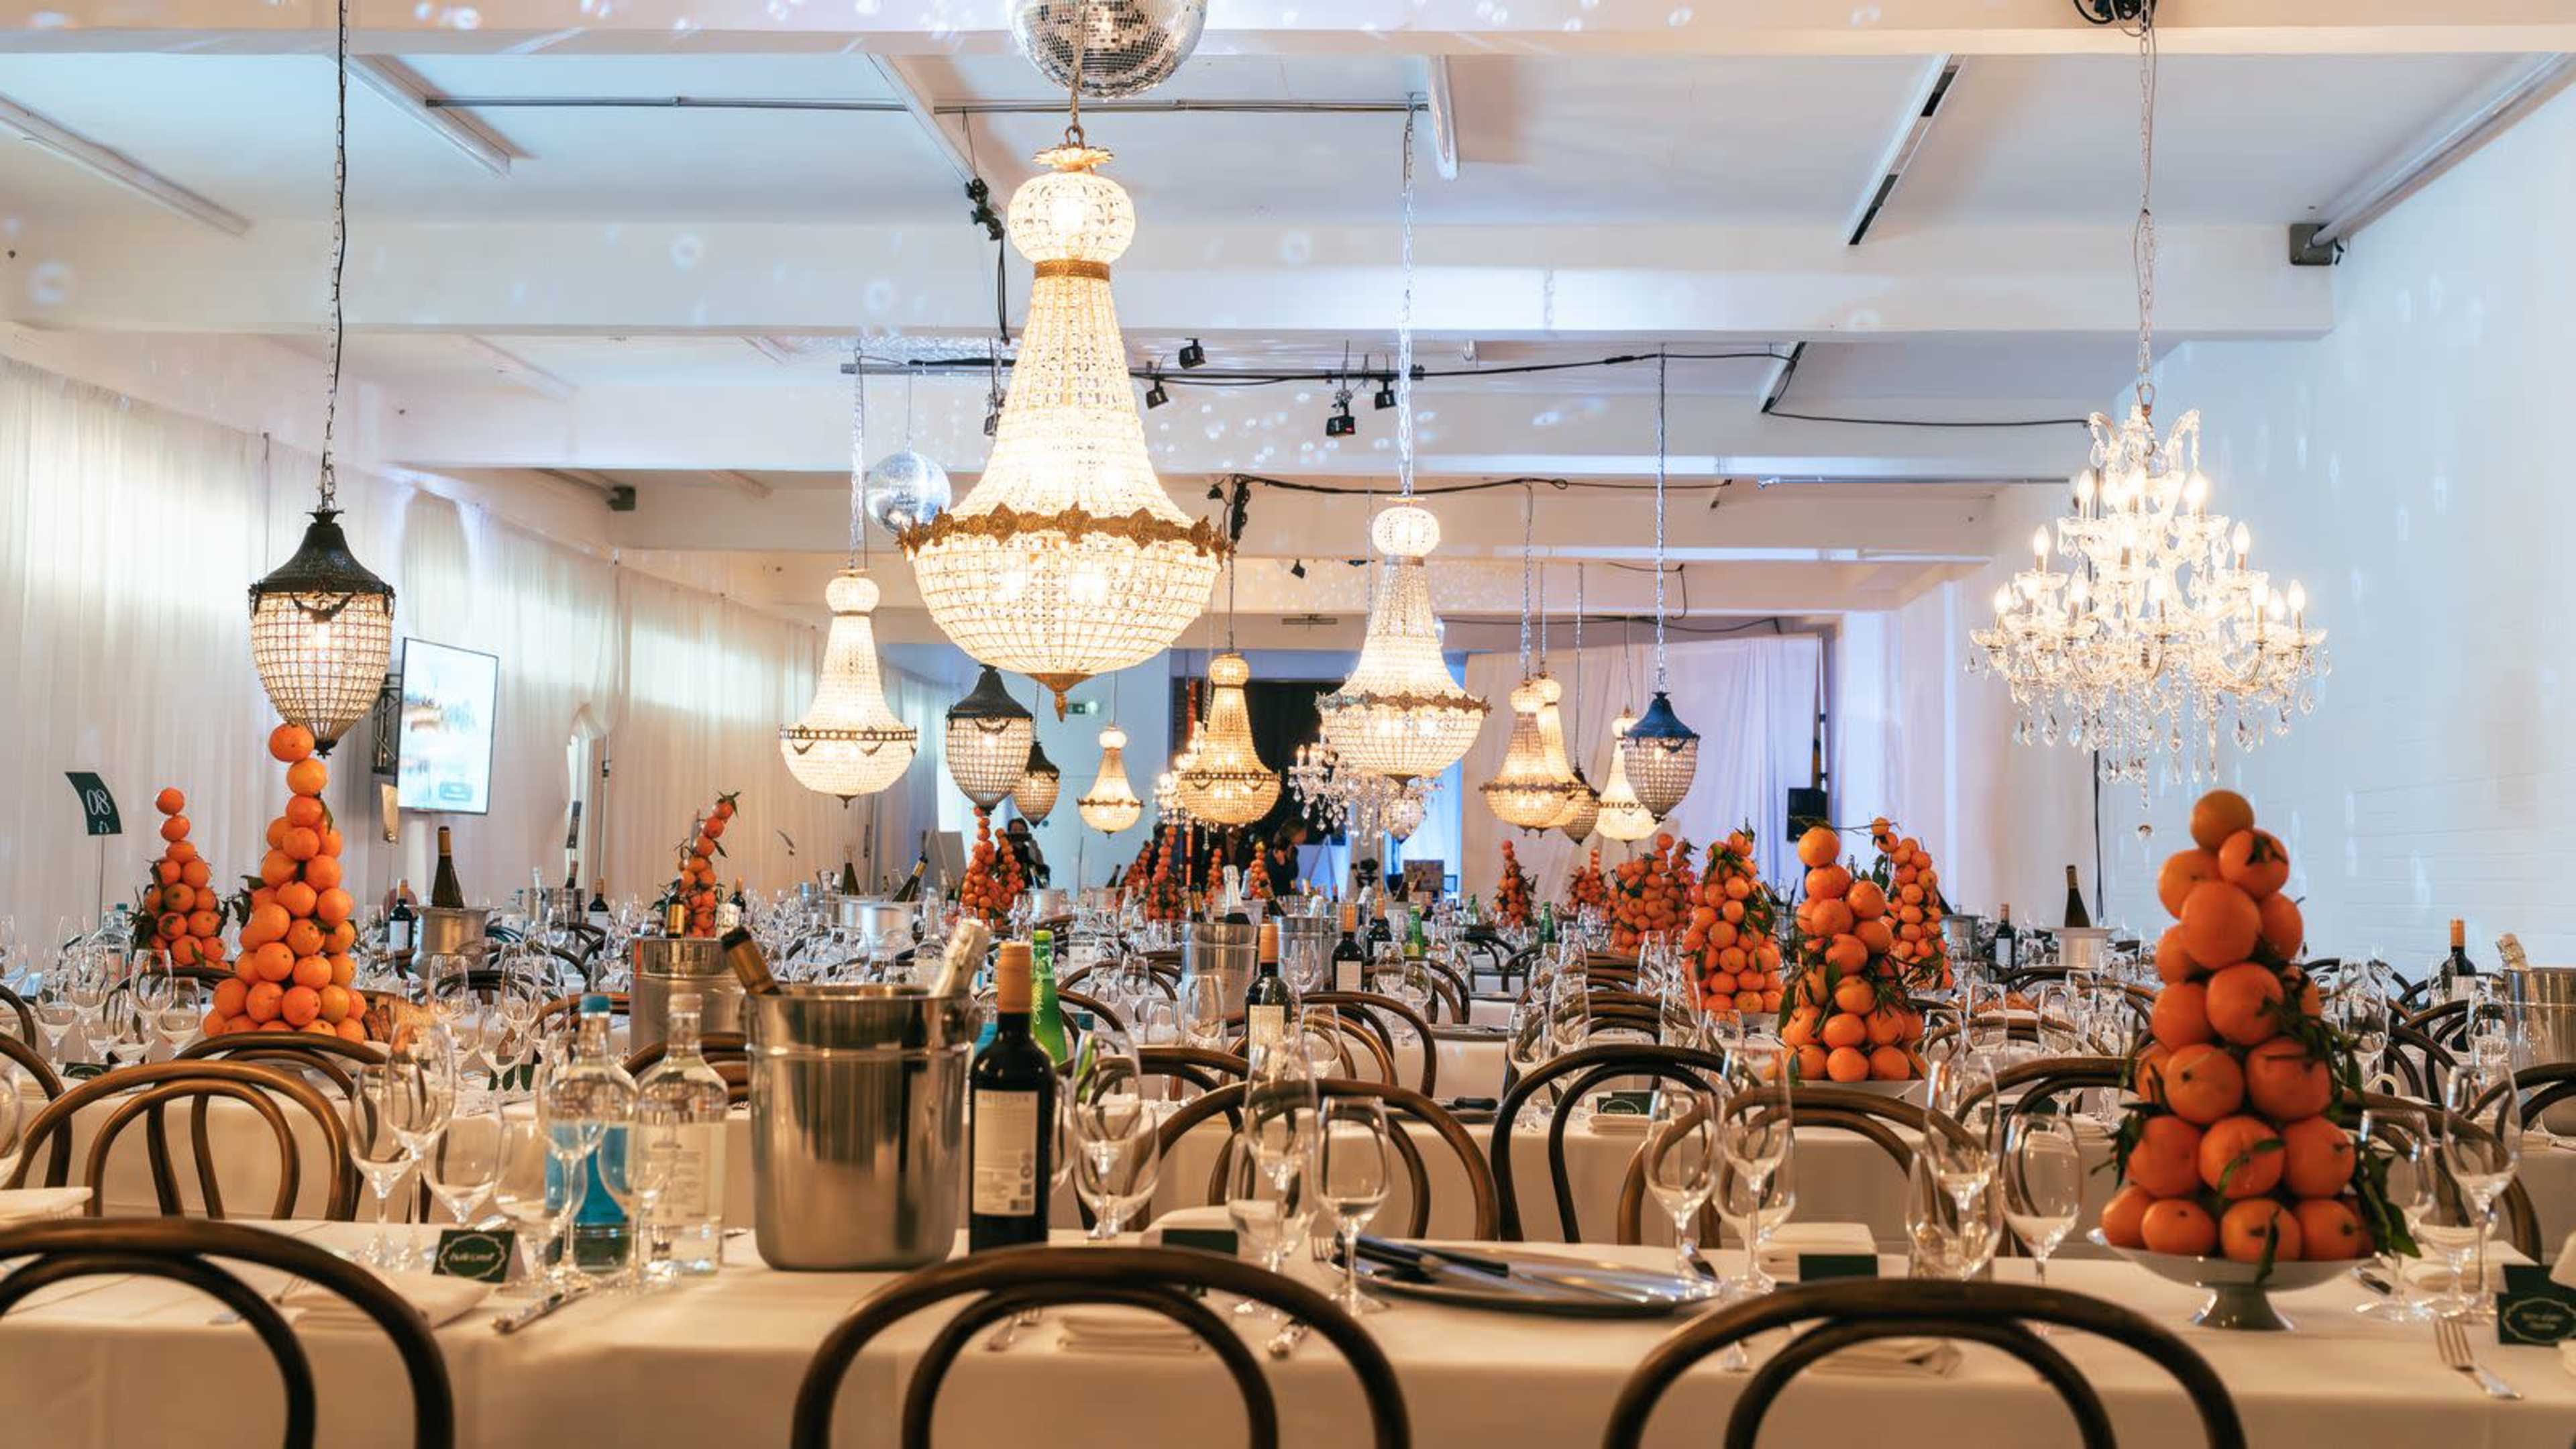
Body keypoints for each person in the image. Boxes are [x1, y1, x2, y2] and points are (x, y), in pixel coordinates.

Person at [1002, 816, 1049, 887]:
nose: (1018, 832)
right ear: (1009, 833)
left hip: (1029, 892)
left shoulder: (1031, 851)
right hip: (1009, 892)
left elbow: (1043, 881)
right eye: (1015, 830)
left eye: (1021, 830)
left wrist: (1036, 851)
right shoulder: (1003, 852)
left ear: (1026, 833)